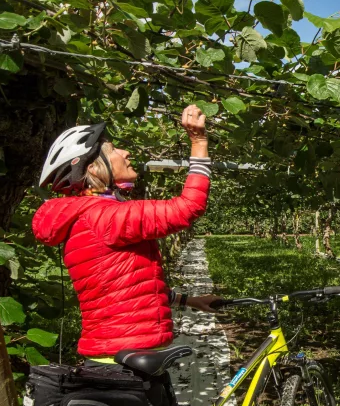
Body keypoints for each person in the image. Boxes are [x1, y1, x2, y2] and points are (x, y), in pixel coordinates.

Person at [33, 105, 220, 363]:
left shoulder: (87, 217)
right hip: (125, 358)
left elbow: (127, 289)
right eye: (113, 150)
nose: (125, 152)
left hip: (115, 353)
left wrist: (190, 301)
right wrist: (199, 142)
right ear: (94, 169)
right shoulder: (105, 217)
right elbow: (188, 207)